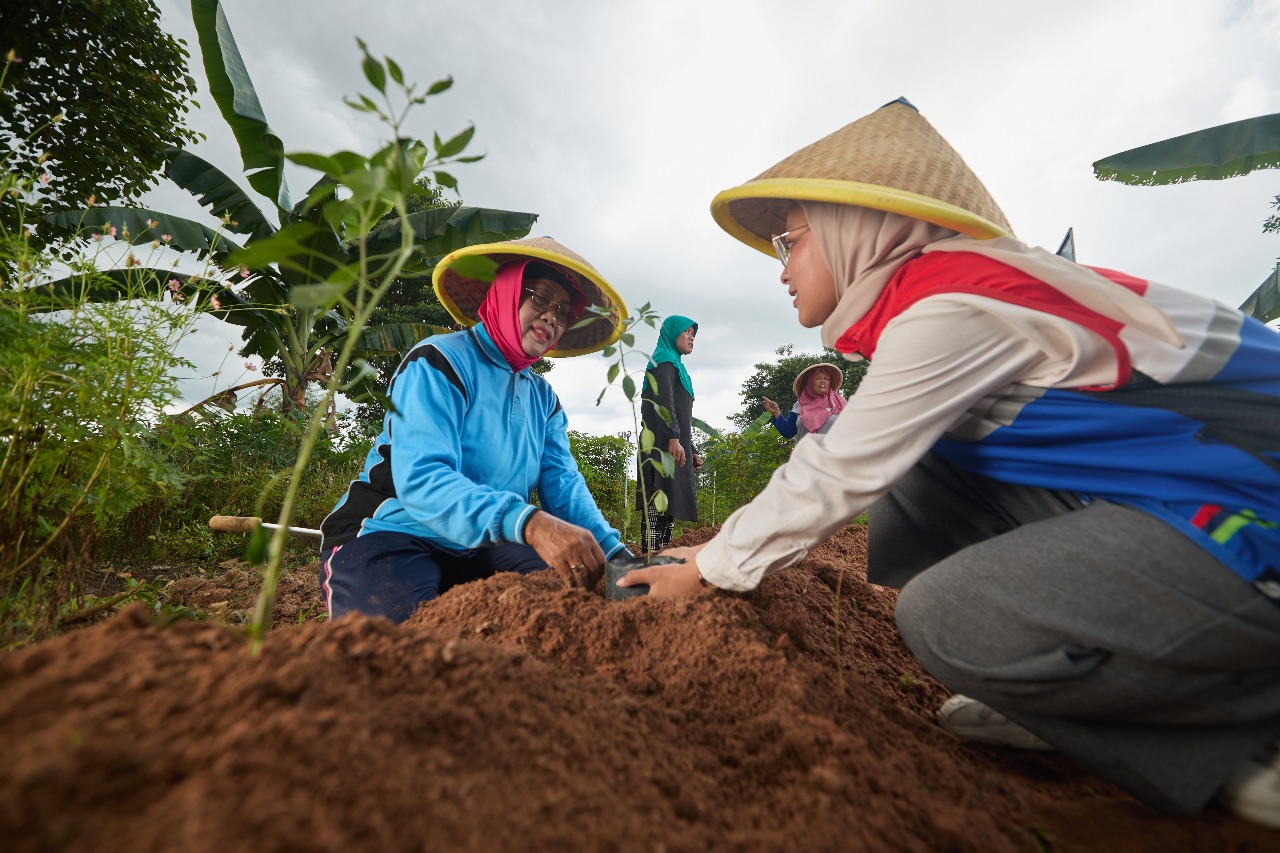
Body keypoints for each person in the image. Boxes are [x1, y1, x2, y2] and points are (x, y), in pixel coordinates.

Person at [621, 98, 1280, 827]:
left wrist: (708, 568)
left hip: (1257, 509)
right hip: (1190, 492)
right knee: (927, 467)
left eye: (789, 243)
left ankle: (1241, 736)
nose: (782, 271)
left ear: (850, 229)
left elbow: (838, 468)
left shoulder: (954, 302)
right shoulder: (949, 290)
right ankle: (1067, 683)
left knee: (942, 617)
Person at [319, 237, 631, 623]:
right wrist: (530, 523)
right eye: (540, 298)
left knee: (569, 600)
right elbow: (422, 478)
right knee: (396, 641)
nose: (551, 316)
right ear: (506, 291)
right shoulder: (439, 361)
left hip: (483, 543)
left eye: (562, 311)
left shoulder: (543, 399)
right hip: (393, 530)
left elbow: (564, 487)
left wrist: (617, 557)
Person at [636, 314, 702, 553]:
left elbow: (680, 414)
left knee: (669, 505)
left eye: (693, 334)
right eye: (687, 332)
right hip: (660, 445)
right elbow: (663, 403)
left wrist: (691, 448)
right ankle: (649, 559)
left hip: (674, 445)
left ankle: (661, 557)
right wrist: (673, 438)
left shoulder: (676, 365)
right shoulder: (662, 361)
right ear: (672, 334)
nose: (691, 337)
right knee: (657, 503)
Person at [762, 362, 846, 439]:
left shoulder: (840, 403)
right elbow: (788, 432)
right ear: (810, 383)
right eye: (818, 378)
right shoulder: (799, 405)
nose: (823, 381)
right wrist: (776, 412)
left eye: (826, 379)